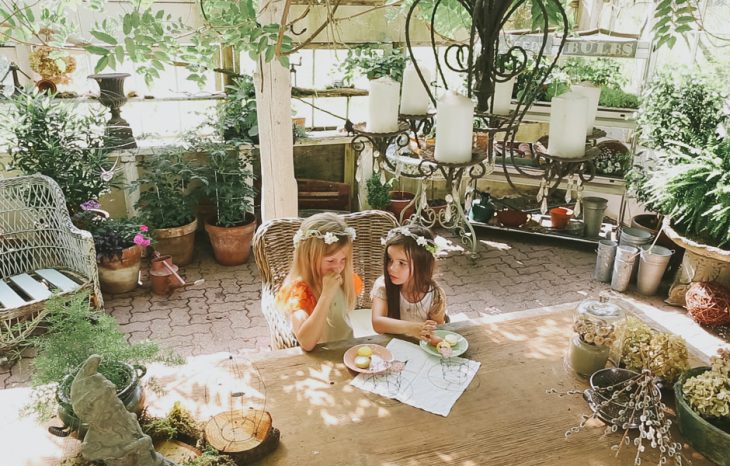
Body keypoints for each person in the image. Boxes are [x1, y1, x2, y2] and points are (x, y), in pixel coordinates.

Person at [275, 213, 361, 351]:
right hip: (320, 358)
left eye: (343, 259)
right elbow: (307, 343)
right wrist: (326, 295)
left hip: (348, 350)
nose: (338, 267)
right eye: (330, 260)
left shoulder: (345, 278)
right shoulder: (299, 292)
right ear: (309, 257)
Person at [371, 224, 446, 341]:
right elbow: (377, 323)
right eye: (390, 260)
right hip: (391, 346)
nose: (391, 268)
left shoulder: (434, 295)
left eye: (402, 263)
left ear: (422, 265)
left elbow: (438, 329)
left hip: (422, 348)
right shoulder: (383, 286)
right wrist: (412, 328)